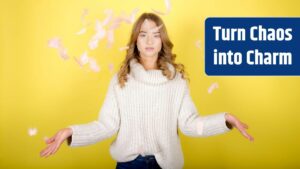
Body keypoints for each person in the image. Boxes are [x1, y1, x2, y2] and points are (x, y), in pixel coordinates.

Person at [40, 13, 254, 169]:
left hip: (167, 165)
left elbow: (189, 124)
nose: (150, 40)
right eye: (143, 35)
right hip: (129, 165)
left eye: (155, 35)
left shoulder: (176, 80)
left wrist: (225, 120)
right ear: (136, 41)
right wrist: (71, 132)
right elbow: (106, 125)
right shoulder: (121, 79)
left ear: (162, 41)